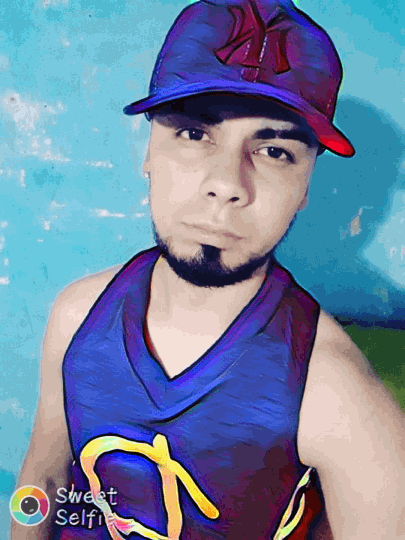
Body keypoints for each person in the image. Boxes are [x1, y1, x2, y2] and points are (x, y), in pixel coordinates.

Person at [11, 0, 404, 539]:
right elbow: (44, 482)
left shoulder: (336, 395)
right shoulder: (78, 314)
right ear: (149, 153)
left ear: (306, 186)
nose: (227, 184)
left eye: (274, 151)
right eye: (195, 134)